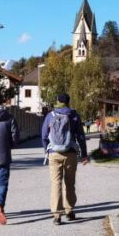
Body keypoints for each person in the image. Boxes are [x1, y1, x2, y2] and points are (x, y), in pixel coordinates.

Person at [41, 93, 89, 225]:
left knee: (56, 183)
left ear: (57, 101)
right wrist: (84, 154)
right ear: (68, 102)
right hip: (71, 153)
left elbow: (44, 135)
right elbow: (80, 136)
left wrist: (47, 150)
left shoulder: (50, 115)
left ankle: (57, 215)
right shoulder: (74, 115)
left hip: (54, 153)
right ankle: (69, 211)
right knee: (69, 183)